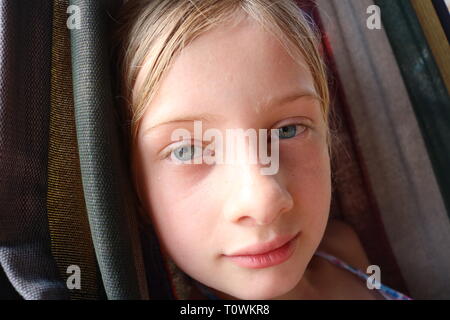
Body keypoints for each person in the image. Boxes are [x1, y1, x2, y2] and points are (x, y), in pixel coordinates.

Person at [112, 0, 412, 300]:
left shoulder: (343, 249)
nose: (264, 201)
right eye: (187, 150)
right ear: (133, 186)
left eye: (287, 130)